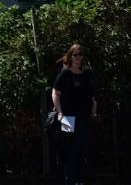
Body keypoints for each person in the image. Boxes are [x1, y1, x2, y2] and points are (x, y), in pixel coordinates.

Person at [49, 43, 96, 185]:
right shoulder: (65, 74)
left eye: (80, 54)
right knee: (69, 149)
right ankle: (69, 180)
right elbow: (55, 94)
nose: (78, 57)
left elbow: (91, 94)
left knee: (81, 148)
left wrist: (94, 108)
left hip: (84, 115)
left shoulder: (87, 73)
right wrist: (60, 113)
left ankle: (80, 180)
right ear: (71, 56)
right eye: (75, 55)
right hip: (67, 116)